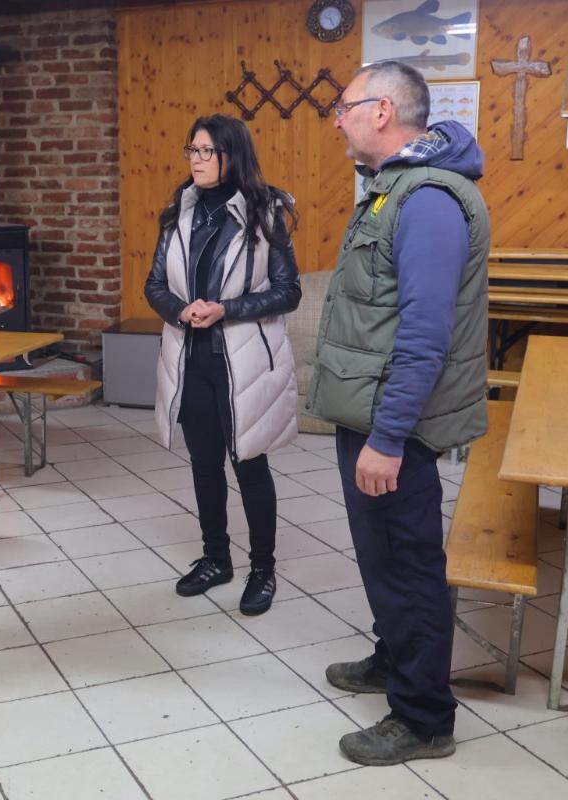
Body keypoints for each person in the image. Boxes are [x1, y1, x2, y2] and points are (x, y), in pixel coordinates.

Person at [308, 61, 490, 766]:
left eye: (345, 106)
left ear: (382, 111)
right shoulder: (395, 186)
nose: (337, 119)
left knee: (408, 563)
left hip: (397, 424)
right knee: (382, 554)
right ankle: (396, 657)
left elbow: (424, 334)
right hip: (373, 411)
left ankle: (423, 717)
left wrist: (387, 439)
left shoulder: (430, 200)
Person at [145, 113, 301, 616]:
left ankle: (263, 569)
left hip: (243, 363)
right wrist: (180, 309)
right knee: (204, 466)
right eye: (192, 150)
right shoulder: (180, 212)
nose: (196, 159)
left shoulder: (265, 212)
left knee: (250, 465)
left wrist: (225, 309)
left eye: (206, 151)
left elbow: (288, 291)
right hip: (191, 360)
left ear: (232, 156)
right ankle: (216, 559)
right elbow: (154, 285)